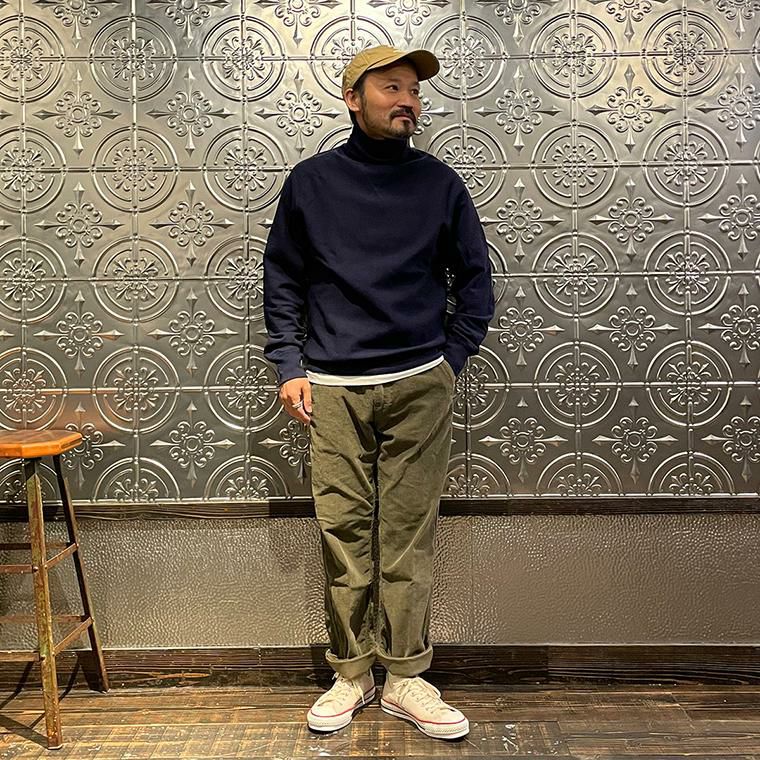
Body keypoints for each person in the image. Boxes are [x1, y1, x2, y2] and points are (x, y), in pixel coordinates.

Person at [263, 44, 494, 740]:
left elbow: (475, 282)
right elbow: (283, 280)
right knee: (342, 536)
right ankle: (351, 673)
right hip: (332, 388)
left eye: (414, 92)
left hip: (421, 382)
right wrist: (289, 364)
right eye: (392, 88)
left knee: (407, 539)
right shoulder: (311, 183)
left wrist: (449, 361)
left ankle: (406, 677)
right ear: (352, 98)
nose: (408, 102)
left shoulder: (440, 184)